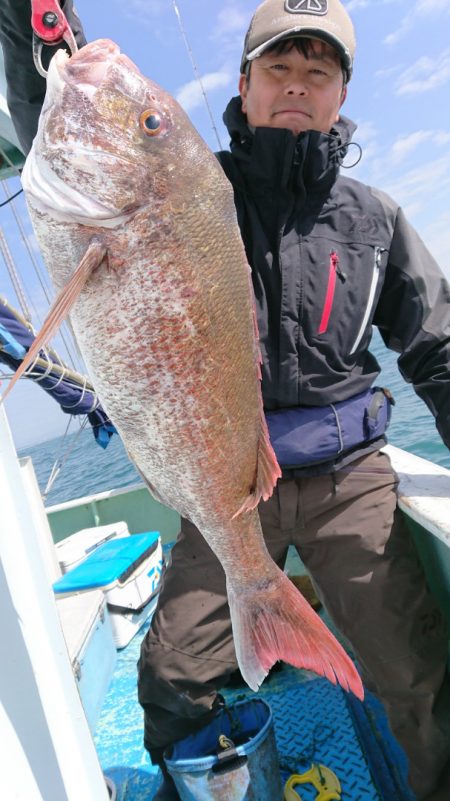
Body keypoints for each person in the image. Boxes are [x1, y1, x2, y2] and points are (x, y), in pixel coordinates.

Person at [1, 1, 449, 799]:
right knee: (171, 674)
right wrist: (25, 26)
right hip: (229, 484)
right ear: (242, 86)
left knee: (416, 667)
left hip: (353, 477)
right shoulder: (191, 187)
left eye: (319, 73)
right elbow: (66, 137)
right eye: (277, 68)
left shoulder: (375, 218)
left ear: (343, 94)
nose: (297, 88)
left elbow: (438, 351)